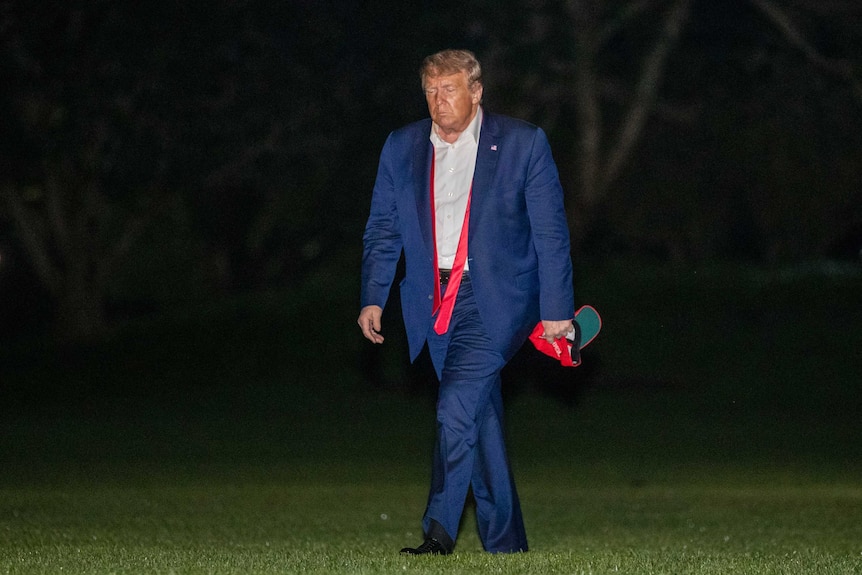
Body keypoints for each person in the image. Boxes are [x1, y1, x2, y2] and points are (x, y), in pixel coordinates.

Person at [357, 48, 574, 555]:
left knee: (455, 405)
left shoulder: (523, 143)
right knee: (479, 417)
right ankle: (506, 543)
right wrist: (373, 296)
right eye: (431, 91)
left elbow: (551, 233)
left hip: (495, 296)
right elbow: (383, 229)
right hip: (431, 299)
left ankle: (438, 531)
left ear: (476, 91)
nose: (439, 101)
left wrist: (557, 310)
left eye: (449, 90)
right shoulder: (402, 146)